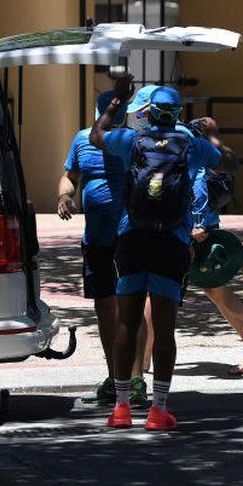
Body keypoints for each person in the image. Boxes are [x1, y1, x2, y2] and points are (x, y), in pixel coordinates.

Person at [91, 76, 238, 431]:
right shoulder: (192, 144)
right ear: (177, 113)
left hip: (132, 236)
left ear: (150, 112)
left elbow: (97, 137)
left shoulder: (131, 139)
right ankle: (158, 410)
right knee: (165, 326)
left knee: (127, 321)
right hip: (172, 240)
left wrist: (116, 103)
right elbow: (229, 163)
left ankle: (123, 407)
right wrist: (213, 133)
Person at [57, 91, 149, 407]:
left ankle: (136, 380)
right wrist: (64, 196)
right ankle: (116, 378)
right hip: (96, 238)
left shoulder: (134, 141)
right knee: (104, 306)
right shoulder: (82, 139)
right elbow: (69, 176)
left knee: (132, 305)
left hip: (130, 234)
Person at [187, 116, 243, 376]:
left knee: (154, 292)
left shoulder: (186, 142)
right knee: (216, 291)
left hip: (194, 230)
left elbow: (198, 181)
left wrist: (198, 222)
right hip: (202, 226)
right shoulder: (203, 143)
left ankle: (141, 363)